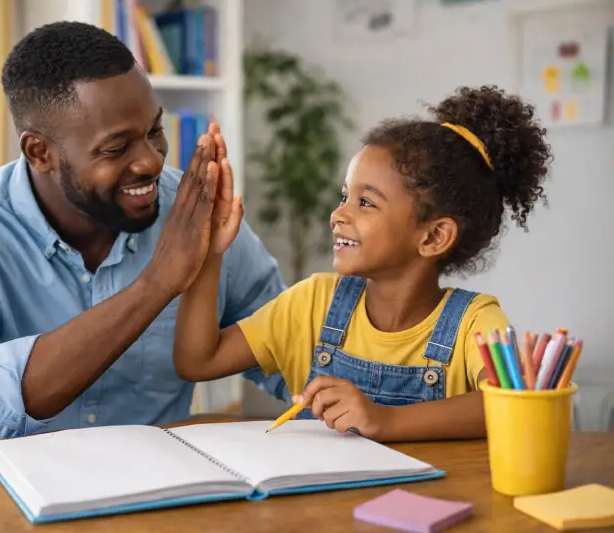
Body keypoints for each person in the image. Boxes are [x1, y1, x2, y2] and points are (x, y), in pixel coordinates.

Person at [0, 21, 287, 444]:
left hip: (164, 493)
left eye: (154, 131)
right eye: (116, 148)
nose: (151, 162)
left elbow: (289, 349)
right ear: (39, 152)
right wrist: (157, 283)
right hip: (5, 499)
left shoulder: (193, 211)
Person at [173, 85, 552, 442]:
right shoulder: (312, 303)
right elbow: (197, 361)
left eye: (366, 202)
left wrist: (386, 420)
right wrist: (211, 254)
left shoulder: (475, 322)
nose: (338, 214)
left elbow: (510, 403)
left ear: (434, 237)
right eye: (344, 195)